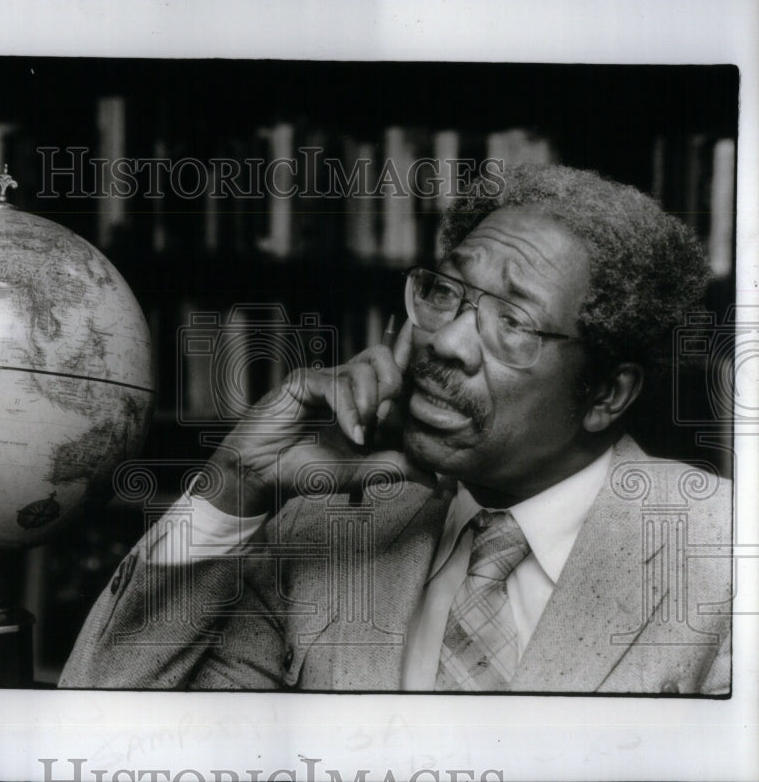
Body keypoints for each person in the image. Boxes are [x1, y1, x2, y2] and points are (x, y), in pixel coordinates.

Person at [60, 164, 732, 694]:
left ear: (607, 394)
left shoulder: (723, 560)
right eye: (445, 293)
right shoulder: (325, 527)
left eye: (513, 321)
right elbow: (115, 733)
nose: (448, 343)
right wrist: (236, 484)